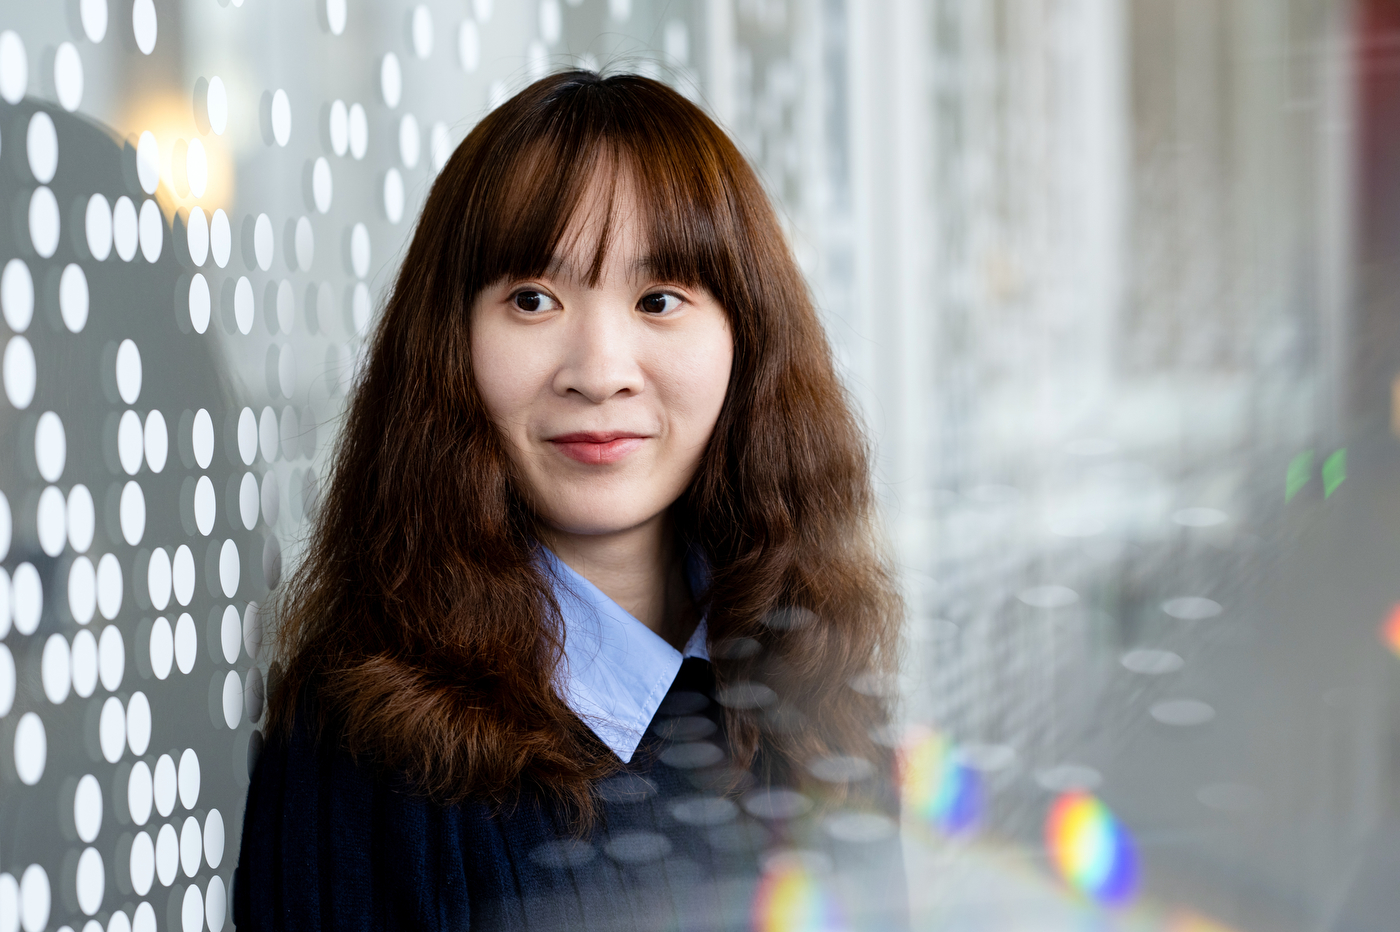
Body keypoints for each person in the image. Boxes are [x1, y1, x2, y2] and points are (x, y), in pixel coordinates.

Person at [235, 70, 906, 931]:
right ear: (450, 342)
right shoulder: (365, 748)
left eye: (659, 300)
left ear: (748, 338)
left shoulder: (817, 692)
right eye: (532, 299)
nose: (598, 373)